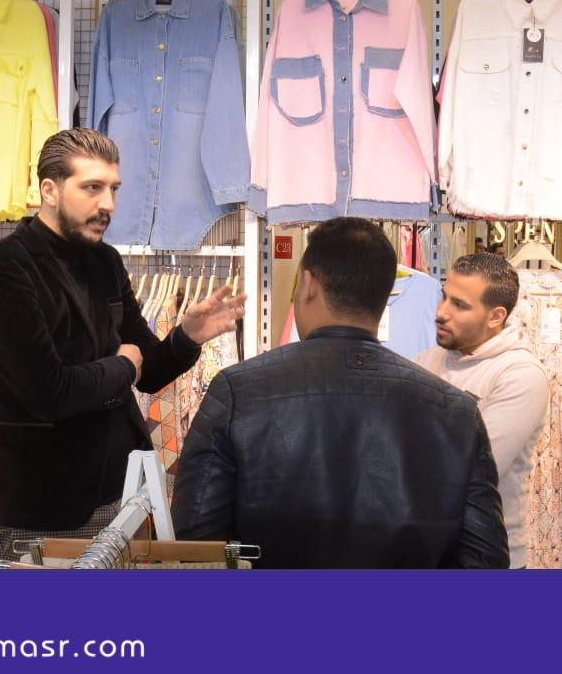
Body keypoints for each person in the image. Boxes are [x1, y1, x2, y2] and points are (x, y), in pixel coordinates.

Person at [0, 129, 246, 563]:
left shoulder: (105, 261)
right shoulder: (0, 269)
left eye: (113, 189)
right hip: (37, 508)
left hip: (115, 496)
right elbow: (47, 393)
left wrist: (186, 336)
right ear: (49, 190)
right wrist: (124, 366)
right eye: (92, 187)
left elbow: (150, 370)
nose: (108, 204)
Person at [173, 216, 508, 569]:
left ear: (308, 284)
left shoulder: (237, 392)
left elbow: (197, 546)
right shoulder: (456, 411)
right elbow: (484, 560)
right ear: (383, 295)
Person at [415, 253, 549, 569]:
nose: (441, 313)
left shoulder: (520, 375)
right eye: (444, 297)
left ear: (495, 316)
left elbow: (475, 470)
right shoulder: (427, 361)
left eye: (459, 305)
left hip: (483, 556)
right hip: (426, 550)